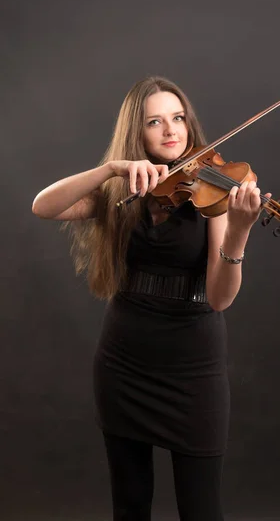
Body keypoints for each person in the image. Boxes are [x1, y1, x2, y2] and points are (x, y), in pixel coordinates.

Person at [32, 76, 265, 521]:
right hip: (124, 366)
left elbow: (219, 299)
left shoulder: (213, 191)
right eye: (154, 121)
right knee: (130, 505)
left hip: (193, 370)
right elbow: (43, 206)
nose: (170, 130)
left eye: (177, 117)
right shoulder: (124, 189)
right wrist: (108, 171)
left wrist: (237, 232)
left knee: (201, 511)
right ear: (135, 133)